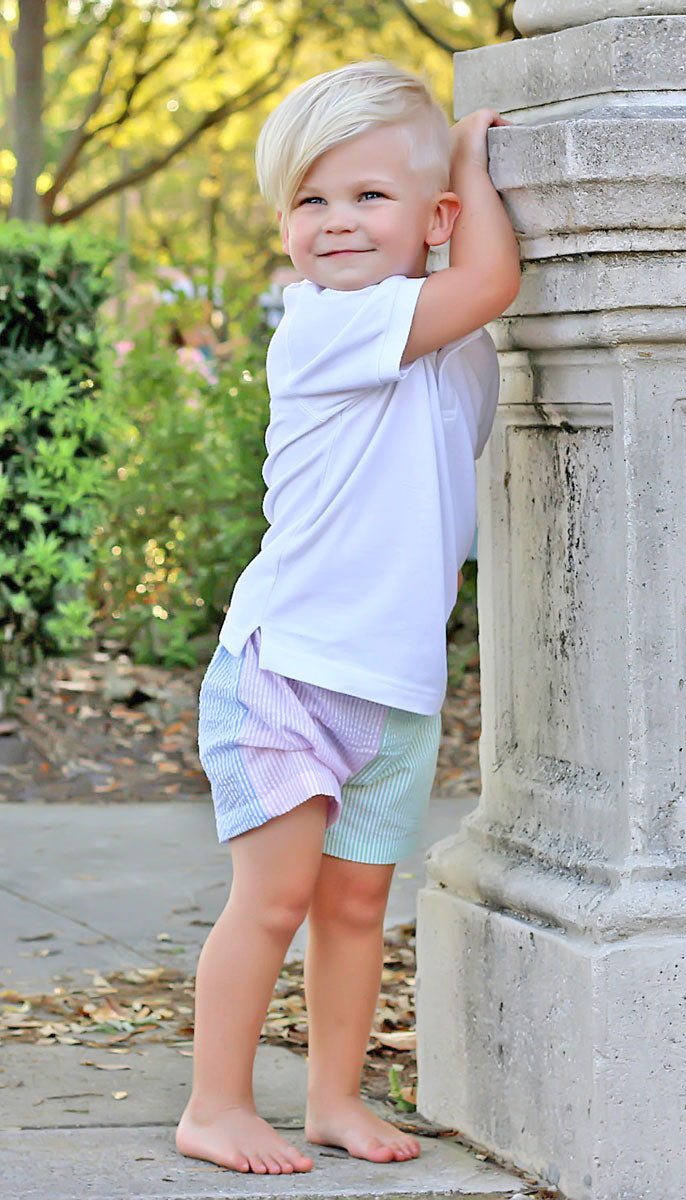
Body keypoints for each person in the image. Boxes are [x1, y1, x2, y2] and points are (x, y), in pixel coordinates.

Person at [174, 60, 520, 1176]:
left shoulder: (454, 357)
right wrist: (470, 153)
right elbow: (490, 282)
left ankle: (332, 1097)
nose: (334, 223)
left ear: (435, 219)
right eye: (309, 201)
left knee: (360, 905)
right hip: (288, 674)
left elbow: (468, 319)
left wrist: (458, 191)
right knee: (273, 901)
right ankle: (215, 1103)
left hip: (395, 688)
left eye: (368, 196)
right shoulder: (324, 326)